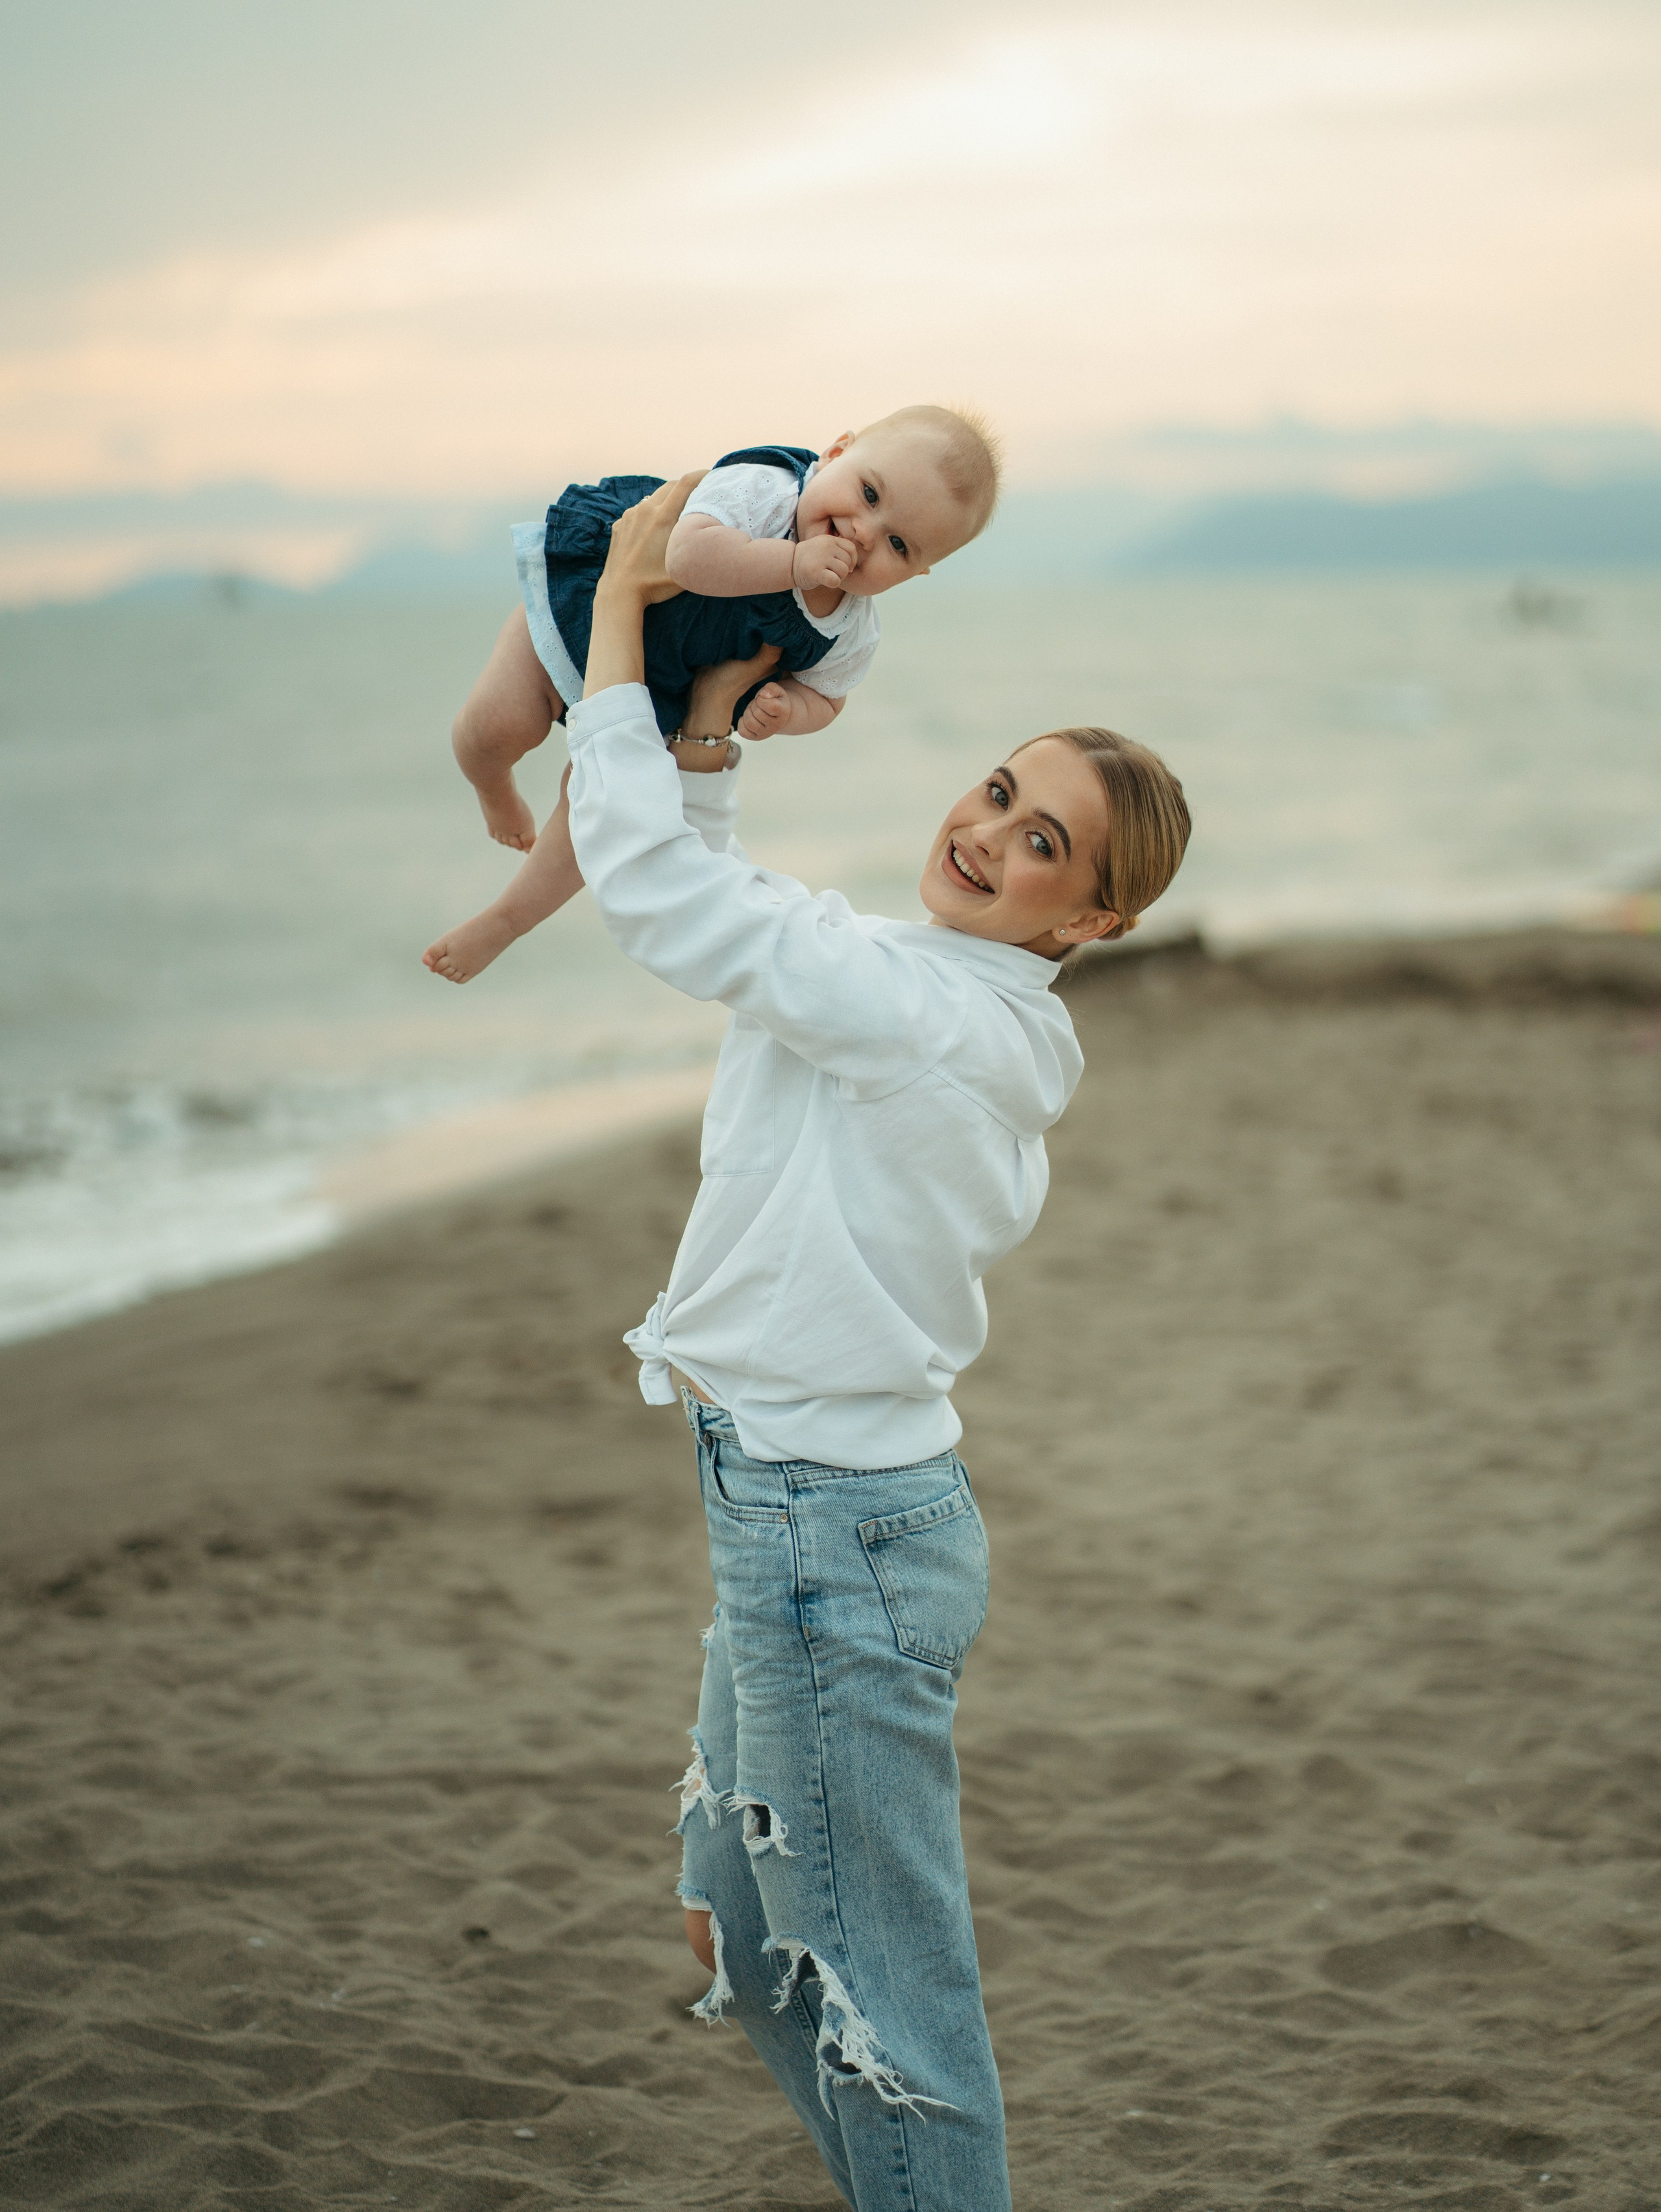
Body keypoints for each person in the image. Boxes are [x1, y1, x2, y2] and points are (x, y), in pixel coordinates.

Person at [563, 476, 1190, 2211]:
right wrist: (705, 730)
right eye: (1002, 790)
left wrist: (622, 610)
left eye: (1045, 844)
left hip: (838, 1541)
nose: (990, 833)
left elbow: (673, 914)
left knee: (892, 2011)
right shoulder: (938, 987)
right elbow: (746, 907)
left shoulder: (921, 1010)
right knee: (756, 1944)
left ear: (1092, 925)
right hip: (787, 1503)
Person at [423, 406, 1000, 984]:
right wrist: (795, 562)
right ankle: (491, 785)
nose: (863, 532)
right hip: (586, 614)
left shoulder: (851, 627)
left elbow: (828, 698)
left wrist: (787, 711)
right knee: (499, 725)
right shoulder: (766, 493)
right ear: (836, 453)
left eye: (898, 544)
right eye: (869, 493)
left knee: (600, 812)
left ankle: (505, 921)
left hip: (653, 697)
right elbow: (687, 555)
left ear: (917, 573)